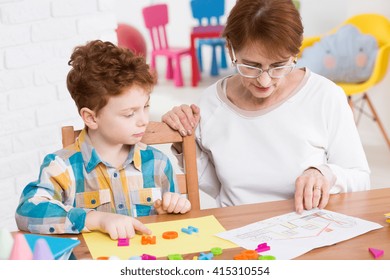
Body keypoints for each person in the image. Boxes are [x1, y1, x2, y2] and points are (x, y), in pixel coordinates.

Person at [162, 0, 370, 213]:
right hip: (238, 229)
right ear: (231, 50)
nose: (264, 81)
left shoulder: (325, 95)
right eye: (251, 66)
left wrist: (323, 173)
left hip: (308, 228)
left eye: (279, 66)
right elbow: (216, 186)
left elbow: (360, 178)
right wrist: (184, 142)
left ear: (294, 54)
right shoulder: (210, 103)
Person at [15, 40, 191, 240]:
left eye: (146, 107)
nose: (144, 120)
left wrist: (173, 208)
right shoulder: (61, 167)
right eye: (129, 114)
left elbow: (172, 226)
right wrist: (96, 219)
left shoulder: (158, 163)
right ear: (91, 118)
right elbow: (26, 211)